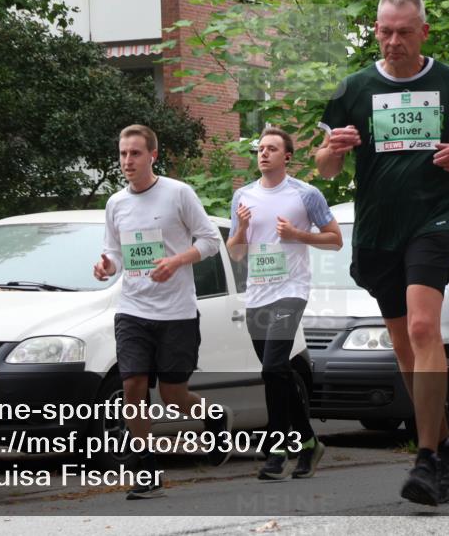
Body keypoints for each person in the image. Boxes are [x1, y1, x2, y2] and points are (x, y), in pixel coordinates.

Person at [315, 0, 449, 506]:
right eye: (384, 31)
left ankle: (424, 456)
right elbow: (324, 166)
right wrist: (331, 150)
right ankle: (447, 451)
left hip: (434, 219)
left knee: (422, 327)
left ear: (423, 32)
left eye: (403, 32)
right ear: (375, 30)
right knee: (403, 346)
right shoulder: (355, 88)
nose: (393, 41)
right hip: (377, 229)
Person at [94, 124, 234, 499]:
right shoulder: (115, 204)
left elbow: (208, 241)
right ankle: (146, 470)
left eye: (135, 153)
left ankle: (213, 417)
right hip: (133, 310)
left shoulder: (178, 194)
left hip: (177, 312)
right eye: (123, 154)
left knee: (173, 396)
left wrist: (176, 261)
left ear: (153, 155)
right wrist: (107, 265)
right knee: (132, 387)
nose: (128, 161)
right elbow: (115, 252)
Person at [226, 127, 343, 481]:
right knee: (276, 372)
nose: (263, 154)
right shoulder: (242, 196)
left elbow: (335, 240)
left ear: (287, 156)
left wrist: (298, 235)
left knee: (273, 367)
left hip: (291, 289)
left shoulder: (305, 195)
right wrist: (242, 230)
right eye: (260, 149)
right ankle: (308, 443)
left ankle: (276, 450)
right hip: (257, 293)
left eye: (272, 149)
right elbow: (235, 253)